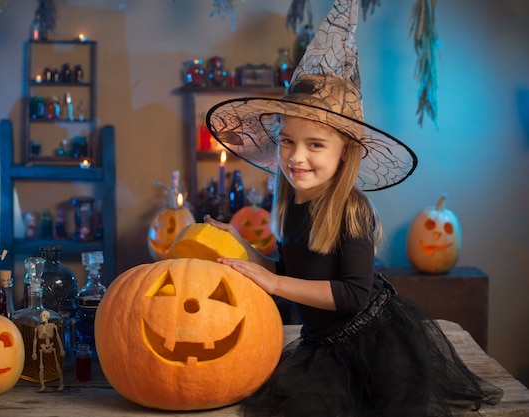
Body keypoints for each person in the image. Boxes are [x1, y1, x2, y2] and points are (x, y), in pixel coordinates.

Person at [203, 0, 503, 415]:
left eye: (315, 145)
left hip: (370, 343)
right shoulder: (291, 206)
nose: (296, 156)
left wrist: (273, 285)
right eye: (288, 140)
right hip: (319, 343)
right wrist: (244, 250)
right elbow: (288, 276)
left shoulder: (351, 210)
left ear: (345, 153)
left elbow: (351, 295)